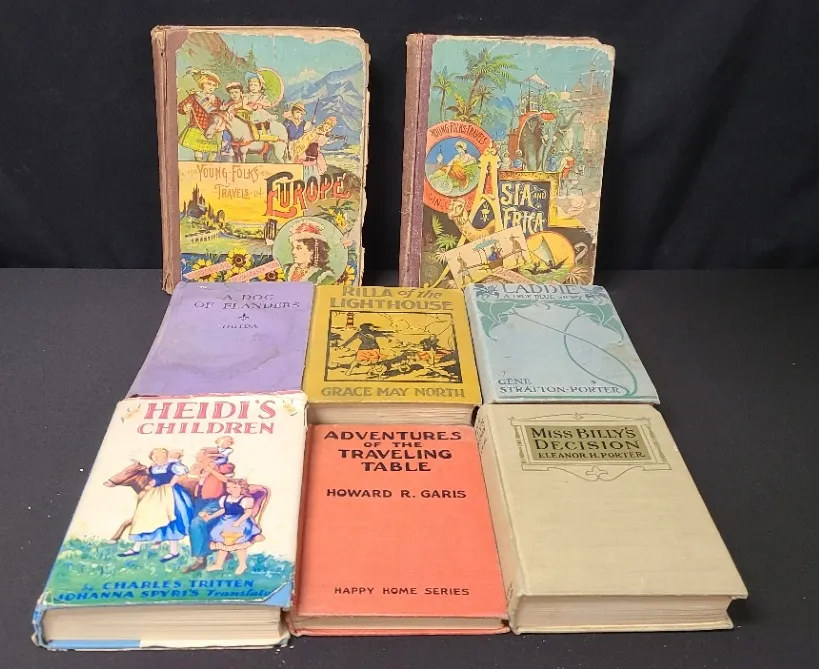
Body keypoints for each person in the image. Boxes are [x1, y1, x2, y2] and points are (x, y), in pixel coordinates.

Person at [118, 448, 194, 563]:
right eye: (155, 457)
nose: (157, 459)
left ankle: (173, 551)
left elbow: (176, 477)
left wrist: (168, 484)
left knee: (170, 519)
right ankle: (136, 547)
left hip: (169, 493)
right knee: (143, 517)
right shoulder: (152, 468)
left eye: (160, 457)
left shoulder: (172, 466)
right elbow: (147, 475)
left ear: (166, 456)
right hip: (154, 494)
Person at [182, 448, 235, 573]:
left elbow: (227, 479)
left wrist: (211, 470)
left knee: (197, 523)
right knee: (198, 525)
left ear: (209, 456)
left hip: (215, 501)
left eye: (199, 453)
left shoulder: (223, 466)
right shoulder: (201, 467)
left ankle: (200, 560)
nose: (196, 455)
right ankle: (222, 552)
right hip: (201, 500)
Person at [201, 479, 262, 575]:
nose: (231, 489)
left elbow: (248, 512)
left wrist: (238, 521)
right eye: (228, 487)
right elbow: (223, 510)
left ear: (242, 488)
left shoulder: (245, 500)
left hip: (240, 522)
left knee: (239, 543)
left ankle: (242, 564)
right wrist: (210, 517)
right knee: (222, 542)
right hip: (225, 521)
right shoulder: (225, 498)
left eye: (235, 487)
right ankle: (218, 564)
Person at [177, 69, 223, 161]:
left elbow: (220, 115)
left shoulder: (217, 100)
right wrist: (185, 108)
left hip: (210, 130)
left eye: (214, 85)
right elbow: (180, 107)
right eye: (209, 84)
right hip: (196, 128)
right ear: (202, 84)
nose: (211, 87)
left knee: (212, 155)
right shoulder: (194, 96)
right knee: (198, 155)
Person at [283, 219, 335, 284]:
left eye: (299, 248)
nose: (293, 252)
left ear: (312, 251)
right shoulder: (287, 270)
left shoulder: (324, 276)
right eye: (293, 248)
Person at [298, 116, 336, 181]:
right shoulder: (316, 130)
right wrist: (319, 134)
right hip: (308, 150)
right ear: (324, 124)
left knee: (315, 168)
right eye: (327, 126)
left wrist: (330, 139)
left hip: (315, 153)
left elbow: (321, 143)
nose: (327, 128)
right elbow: (311, 138)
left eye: (329, 128)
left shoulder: (325, 135)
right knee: (305, 167)